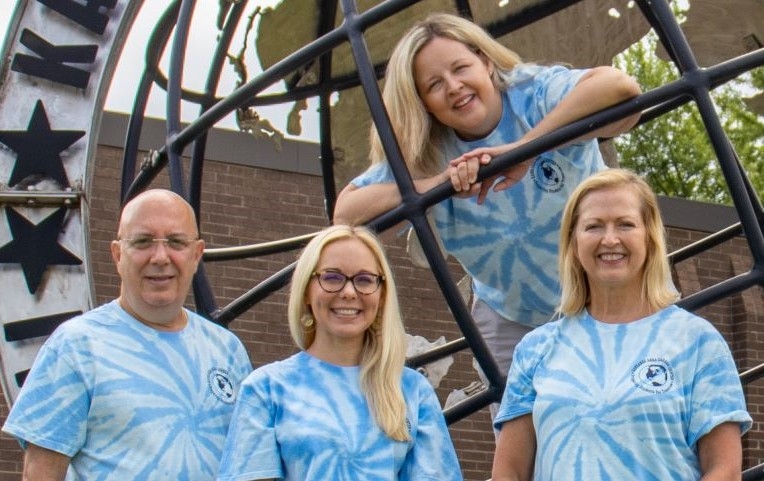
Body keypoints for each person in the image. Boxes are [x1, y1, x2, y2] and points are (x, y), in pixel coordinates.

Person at [332, 12, 643, 406]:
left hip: (607, 289)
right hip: (511, 315)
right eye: (434, 85)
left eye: (461, 68)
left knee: (633, 408)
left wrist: (526, 147)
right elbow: (345, 216)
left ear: (485, 60)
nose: (454, 87)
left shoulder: (530, 94)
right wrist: (434, 187)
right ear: (423, 103)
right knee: (526, 437)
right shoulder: (428, 151)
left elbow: (620, 88)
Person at [492, 169, 752, 481]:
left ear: (650, 237)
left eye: (625, 224)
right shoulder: (535, 349)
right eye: (593, 226)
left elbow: (725, 470)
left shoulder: (698, 342)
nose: (610, 239)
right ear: (573, 242)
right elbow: (509, 472)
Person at [2, 189, 253, 481]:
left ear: (196, 254)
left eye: (176, 242)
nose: (160, 257)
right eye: (143, 241)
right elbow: (40, 474)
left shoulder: (227, 350)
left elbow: (246, 464)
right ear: (118, 254)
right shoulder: (75, 347)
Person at [216, 224, 462, 481]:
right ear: (307, 291)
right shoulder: (266, 389)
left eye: (364, 280)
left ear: (381, 295)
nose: (348, 292)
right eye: (332, 277)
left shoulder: (414, 392)